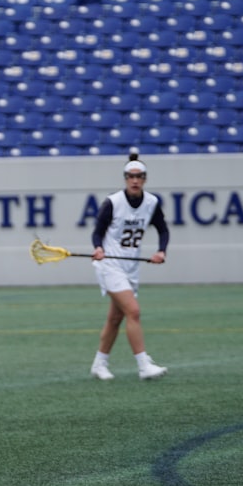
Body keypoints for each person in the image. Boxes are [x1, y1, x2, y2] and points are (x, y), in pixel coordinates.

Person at [89, 151, 170, 381]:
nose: (135, 180)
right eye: (131, 176)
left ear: (145, 179)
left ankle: (99, 363)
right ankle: (144, 365)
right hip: (110, 265)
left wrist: (161, 251)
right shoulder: (113, 202)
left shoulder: (152, 202)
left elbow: (163, 229)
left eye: (139, 176)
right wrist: (98, 248)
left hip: (131, 267)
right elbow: (98, 232)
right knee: (133, 311)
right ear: (125, 178)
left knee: (115, 318)